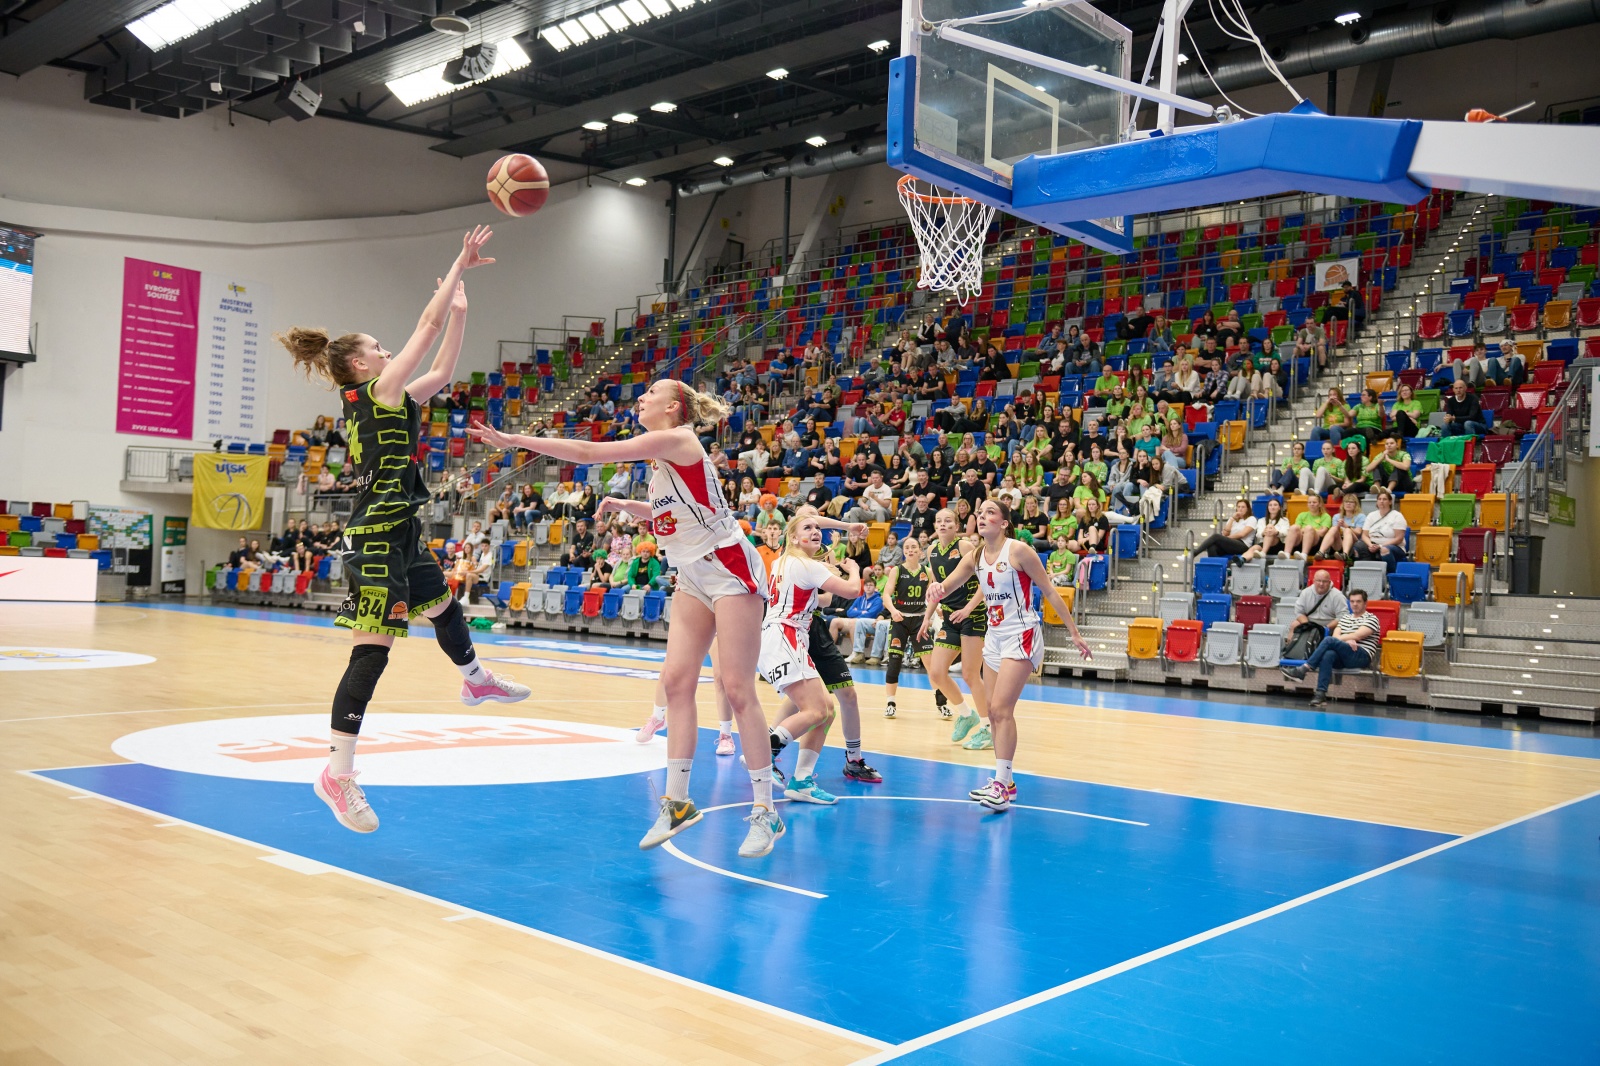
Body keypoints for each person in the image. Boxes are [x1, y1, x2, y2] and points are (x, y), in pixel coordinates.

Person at [276, 225, 528, 835]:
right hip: (373, 538)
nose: (389, 351)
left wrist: (460, 310)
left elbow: (441, 368)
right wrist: (459, 265)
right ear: (360, 365)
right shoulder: (374, 392)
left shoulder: (390, 397)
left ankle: (476, 682)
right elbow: (425, 326)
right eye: (379, 347)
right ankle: (337, 774)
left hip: (401, 530)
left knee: (443, 607)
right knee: (373, 652)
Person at [471, 377, 778, 857]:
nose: (641, 398)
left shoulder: (677, 439)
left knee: (737, 689)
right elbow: (676, 516)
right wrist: (631, 506)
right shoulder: (664, 461)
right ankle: (677, 803)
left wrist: (515, 440)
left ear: (673, 408)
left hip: (728, 566)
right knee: (675, 684)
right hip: (692, 572)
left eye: (651, 394)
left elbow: (588, 453)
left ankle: (765, 811)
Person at [924, 499, 1090, 810]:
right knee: (993, 711)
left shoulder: (1018, 551)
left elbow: (1049, 591)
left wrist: (1074, 632)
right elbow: (946, 586)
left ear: (1003, 523)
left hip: (1022, 633)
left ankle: (1001, 784)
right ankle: (1006, 782)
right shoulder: (975, 556)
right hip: (995, 636)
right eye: (980, 512)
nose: (981, 516)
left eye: (990, 512)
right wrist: (936, 590)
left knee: (1001, 709)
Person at [757, 512, 867, 810]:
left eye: (818, 528)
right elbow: (852, 591)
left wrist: (844, 528)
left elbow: (823, 598)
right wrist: (854, 569)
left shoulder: (783, 560)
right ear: (793, 537)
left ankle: (802, 781)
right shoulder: (807, 564)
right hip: (786, 635)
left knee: (826, 711)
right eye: (808, 528)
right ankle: (764, 752)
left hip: (784, 637)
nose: (816, 530)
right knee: (817, 710)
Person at [923, 508, 991, 745]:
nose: (942, 524)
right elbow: (937, 587)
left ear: (956, 526)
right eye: (939, 521)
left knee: (970, 675)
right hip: (950, 617)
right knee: (936, 672)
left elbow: (984, 582)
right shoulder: (931, 551)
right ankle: (966, 714)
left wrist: (969, 608)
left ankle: (988, 728)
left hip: (973, 615)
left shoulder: (964, 547)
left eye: (948, 521)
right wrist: (926, 617)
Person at [1282, 588, 1381, 708]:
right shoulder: (1345, 618)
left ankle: (1304, 669)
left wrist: (1345, 638)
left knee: (1329, 640)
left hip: (1361, 655)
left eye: (1358, 601)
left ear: (1365, 603)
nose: (1355, 604)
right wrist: (1347, 640)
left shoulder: (1371, 619)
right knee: (1328, 654)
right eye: (1352, 601)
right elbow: (1335, 636)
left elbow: (1357, 636)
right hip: (1344, 655)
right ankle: (1320, 694)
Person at [1353, 490, 1408, 571]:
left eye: (1384, 499)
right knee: (1358, 546)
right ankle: (1368, 572)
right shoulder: (1371, 515)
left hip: (1393, 546)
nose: (1381, 501)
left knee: (1384, 549)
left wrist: (1380, 546)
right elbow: (1364, 535)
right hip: (1373, 543)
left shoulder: (1397, 516)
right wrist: (1370, 545)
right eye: (1379, 499)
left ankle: (1390, 574)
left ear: (1390, 502)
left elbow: (1399, 539)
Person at [1193, 498, 1257, 559]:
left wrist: (1227, 538)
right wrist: (1232, 519)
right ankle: (1216, 565)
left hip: (1243, 545)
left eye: (1243, 507)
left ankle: (1195, 553)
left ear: (1247, 509)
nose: (1240, 509)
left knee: (1216, 536)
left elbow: (1242, 534)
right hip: (1231, 544)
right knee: (1211, 547)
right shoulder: (1233, 519)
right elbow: (1225, 533)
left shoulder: (1251, 519)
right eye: (1238, 507)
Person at [1316, 491, 1366, 561]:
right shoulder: (1337, 516)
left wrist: (1347, 526)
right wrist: (1338, 526)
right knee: (1333, 528)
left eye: (1351, 502)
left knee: (1347, 530)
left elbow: (1358, 532)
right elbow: (1334, 533)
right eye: (1346, 502)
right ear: (1343, 504)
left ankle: (1345, 554)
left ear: (1356, 504)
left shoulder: (1361, 516)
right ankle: (1321, 552)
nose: (1348, 504)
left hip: (1354, 543)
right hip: (1339, 542)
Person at [1282, 492, 1332, 559]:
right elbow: (1297, 529)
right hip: (1301, 540)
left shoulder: (1325, 516)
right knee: (1293, 527)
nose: (1312, 504)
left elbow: (1322, 532)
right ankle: (1286, 553)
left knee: (1309, 528)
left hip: (1316, 543)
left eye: (1314, 502)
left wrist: (1309, 530)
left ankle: (1304, 555)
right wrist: (1307, 531)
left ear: (1320, 504)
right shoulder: (1302, 515)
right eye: (1309, 502)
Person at [1240, 496, 1289, 561]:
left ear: (1279, 507)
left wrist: (1276, 532)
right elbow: (1258, 534)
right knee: (1254, 548)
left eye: (1275, 505)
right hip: (1264, 543)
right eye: (1270, 505)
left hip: (1278, 545)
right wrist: (1263, 533)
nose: (1272, 507)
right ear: (1268, 508)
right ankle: (1242, 559)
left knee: (1269, 528)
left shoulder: (1284, 520)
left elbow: (1286, 532)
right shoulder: (1262, 520)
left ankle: (1263, 553)